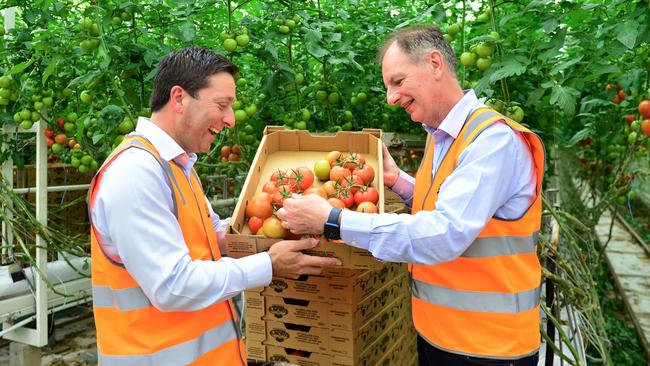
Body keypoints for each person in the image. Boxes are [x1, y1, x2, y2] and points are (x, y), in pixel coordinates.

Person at [277, 25, 544, 366]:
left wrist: (333, 220)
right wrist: (396, 180)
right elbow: (453, 207)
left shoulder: (492, 142)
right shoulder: (443, 136)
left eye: (398, 82)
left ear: (435, 64)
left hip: (489, 348)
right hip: (443, 336)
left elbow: (444, 233)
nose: (390, 98)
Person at [88, 47, 341, 366]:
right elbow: (172, 286)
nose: (231, 120)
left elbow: (208, 235)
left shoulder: (176, 166)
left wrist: (264, 229)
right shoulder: (135, 172)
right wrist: (268, 263)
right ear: (179, 98)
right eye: (222, 105)